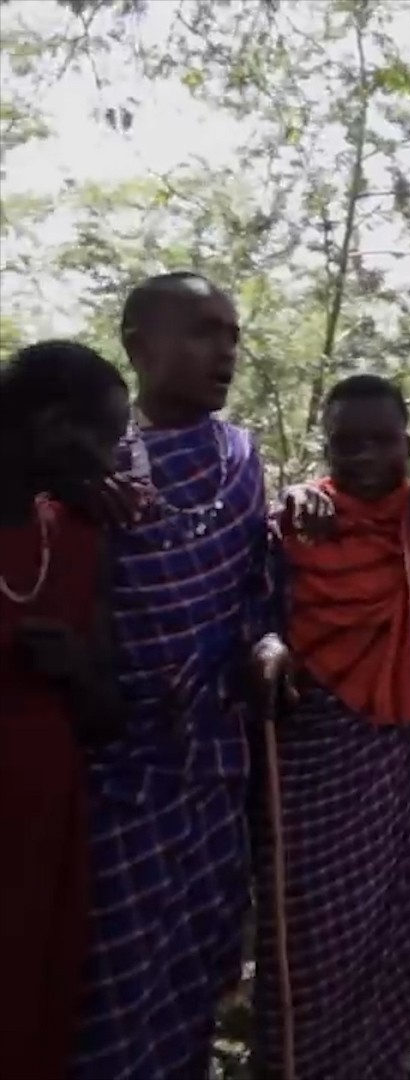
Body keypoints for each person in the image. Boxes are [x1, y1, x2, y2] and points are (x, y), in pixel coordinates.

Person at [69, 271, 287, 1079]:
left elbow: (259, 592)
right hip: (123, 775)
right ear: (139, 347)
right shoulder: (95, 470)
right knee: (112, 989)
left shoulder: (238, 459)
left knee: (194, 983)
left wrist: (269, 646)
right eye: (202, 331)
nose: (224, 350)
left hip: (213, 774)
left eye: (232, 334)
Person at [247, 374, 410, 1077]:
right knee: (306, 952)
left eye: (381, 441)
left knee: (393, 955)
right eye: (345, 442)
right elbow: (256, 618)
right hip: (317, 782)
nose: (364, 455)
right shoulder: (293, 528)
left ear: (409, 443)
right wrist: (267, 647)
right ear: (324, 446)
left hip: (409, 781)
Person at [0, 341, 130, 1080]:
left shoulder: (76, 538)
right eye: (106, 437)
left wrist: (78, 671)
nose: (113, 461)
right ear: (52, 424)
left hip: (43, 835)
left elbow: (109, 711)